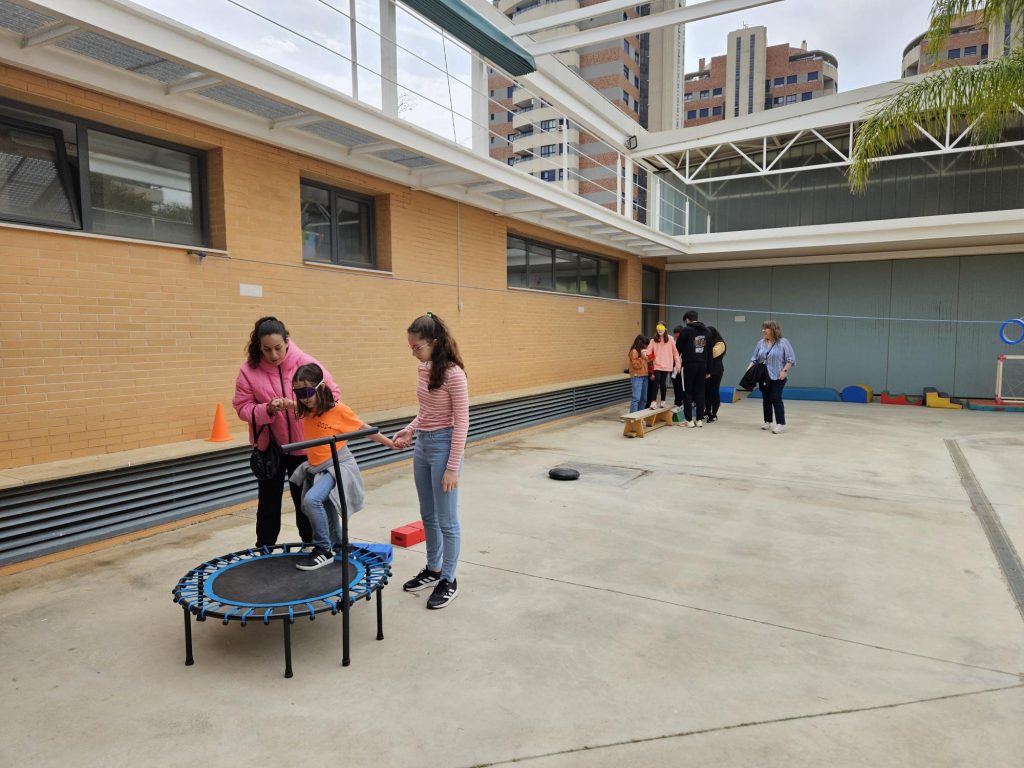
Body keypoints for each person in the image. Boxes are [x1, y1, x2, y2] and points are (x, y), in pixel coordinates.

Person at [232, 316, 341, 548]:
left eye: (278, 348)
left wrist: (298, 405)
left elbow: (333, 397)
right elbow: (242, 408)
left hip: (305, 447)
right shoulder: (249, 370)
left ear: (287, 340)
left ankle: (312, 546)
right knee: (268, 503)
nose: (273, 355)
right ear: (258, 347)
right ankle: (265, 548)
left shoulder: (306, 363)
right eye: (266, 349)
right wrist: (267, 409)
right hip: (270, 449)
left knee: (306, 501)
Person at [392, 313, 469, 610]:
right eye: (410, 347)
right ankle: (433, 569)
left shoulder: (454, 374)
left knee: (447, 519)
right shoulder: (424, 368)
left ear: (434, 343)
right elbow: (426, 411)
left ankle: (449, 579)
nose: (413, 352)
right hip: (423, 445)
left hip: (444, 446)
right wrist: (410, 430)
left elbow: (462, 422)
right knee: (428, 514)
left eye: (417, 347)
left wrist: (452, 467)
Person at [288, 364, 394, 570]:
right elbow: (294, 405)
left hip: (337, 464)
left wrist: (390, 443)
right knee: (326, 505)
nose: (304, 398)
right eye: (298, 393)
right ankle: (338, 545)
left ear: (320, 387)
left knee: (311, 500)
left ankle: (323, 548)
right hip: (316, 467)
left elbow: (363, 428)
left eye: (307, 392)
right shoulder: (307, 410)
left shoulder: (338, 410)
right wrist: (284, 404)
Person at [746, 320, 796, 434]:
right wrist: (748, 370)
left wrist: (784, 371)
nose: (763, 330)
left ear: (773, 330)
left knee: (776, 397)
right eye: (763, 328)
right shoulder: (760, 343)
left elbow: (791, 359)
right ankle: (767, 421)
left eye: (766, 328)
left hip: (778, 376)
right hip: (764, 376)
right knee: (766, 399)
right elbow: (754, 359)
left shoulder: (783, 342)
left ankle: (780, 424)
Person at [677, 310, 712, 428]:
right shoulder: (707, 331)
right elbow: (710, 352)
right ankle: (699, 420)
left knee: (687, 392)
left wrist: (676, 363)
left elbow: (678, 348)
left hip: (689, 365)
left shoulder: (686, 330)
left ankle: (689, 420)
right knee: (700, 392)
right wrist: (709, 370)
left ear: (687, 319)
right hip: (703, 366)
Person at [644, 322, 680, 409]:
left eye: (661, 328)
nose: (660, 330)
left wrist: (678, 363)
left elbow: (675, 352)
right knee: (656, 381)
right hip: (657, 364)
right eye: (658, 328)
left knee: (662, 382)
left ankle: (663, 401)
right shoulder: (653, 340)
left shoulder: (670, 339)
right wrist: (644, 352)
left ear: (665, 329)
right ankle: (653, 402)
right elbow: (648, 351)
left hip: (667, 364)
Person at [704, 325, 726, 423]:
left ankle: (714, 414)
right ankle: (707, 411)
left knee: (714, 392)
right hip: (706, 370)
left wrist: (703, 347)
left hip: (716, 371)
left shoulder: (720, 344)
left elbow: (712, 353)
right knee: (706, 392)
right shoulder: (707, 342)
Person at [627, 335, 649, 413]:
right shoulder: (634, 351)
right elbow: (636, 365)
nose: (646, 346)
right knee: (636, 398)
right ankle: (633, 417)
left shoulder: (642, 352)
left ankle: (639, 416)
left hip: (645, 376)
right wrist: (642, 357)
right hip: (637, 377)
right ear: (641, 343)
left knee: (644, 399)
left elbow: (647, 363)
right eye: (645, 344)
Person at [671, 326, 686, 412]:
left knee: (682, 387)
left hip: (682, 368)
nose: (676, 336)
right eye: (675, 335)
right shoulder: (673, 342)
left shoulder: (686, 342)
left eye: (678, 334)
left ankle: (682, 403)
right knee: (676, 386)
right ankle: (677, 403)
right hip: (674, 368)